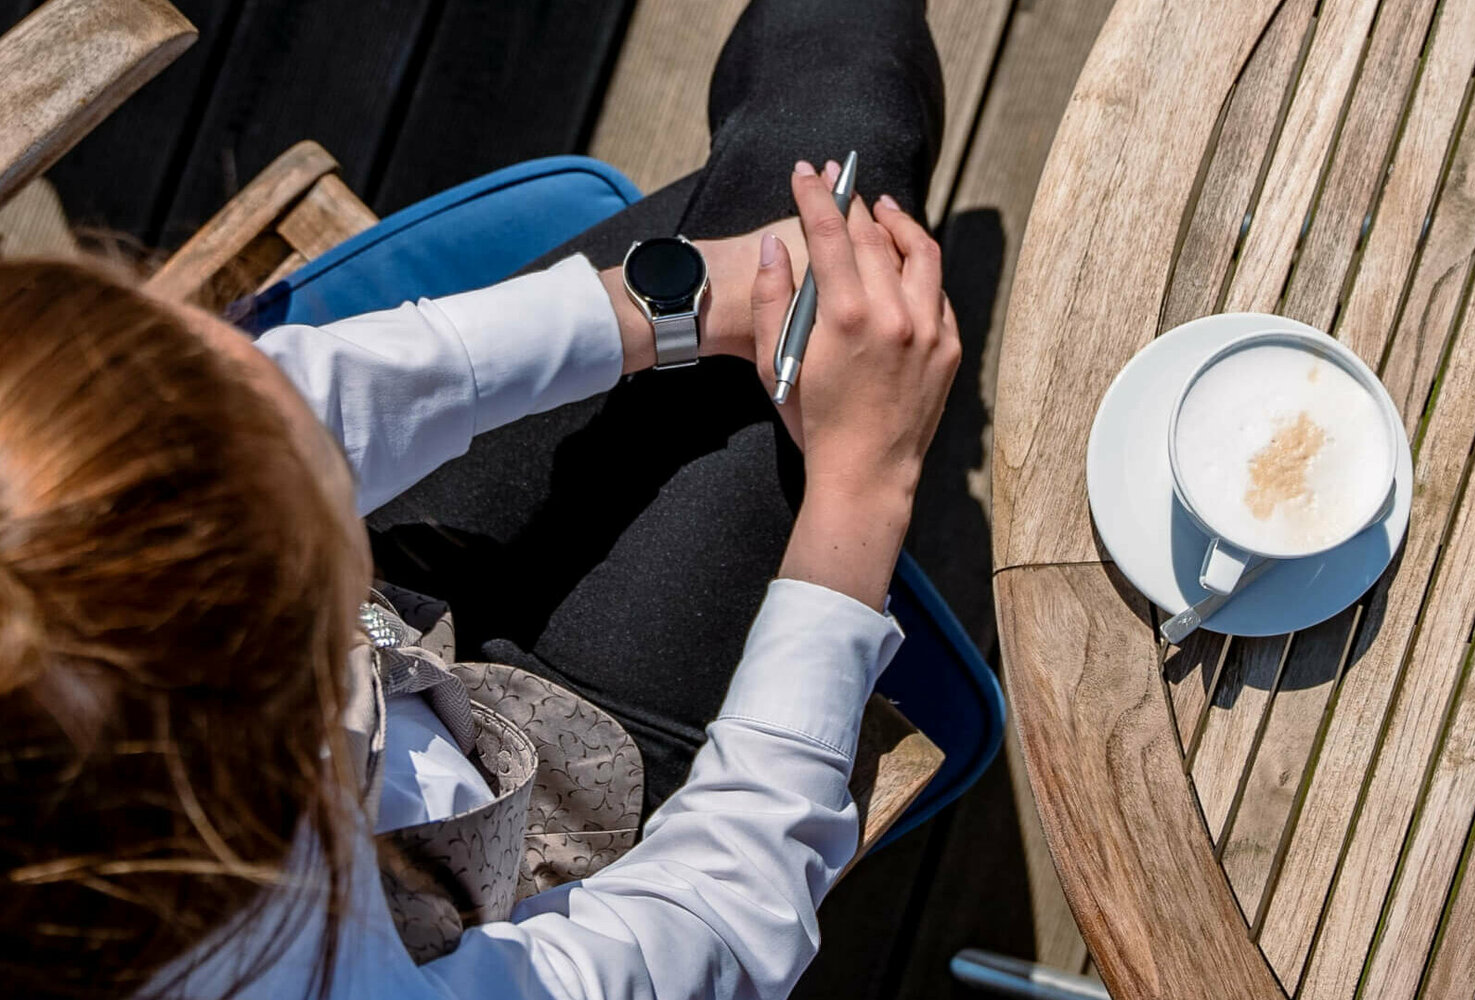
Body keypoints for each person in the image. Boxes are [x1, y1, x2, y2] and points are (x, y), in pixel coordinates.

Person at [0, 1, 958, 998]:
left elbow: (288, 402)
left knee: (810, 214)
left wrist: (671, 303)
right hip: (549, 816)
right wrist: (862, 484)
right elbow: (715, 909)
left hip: (391, 627)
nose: (252, 356)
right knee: (841, 155)